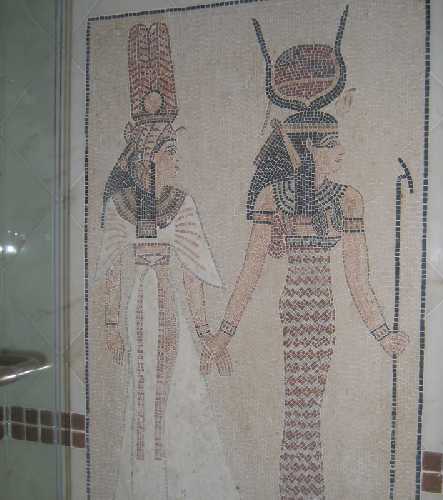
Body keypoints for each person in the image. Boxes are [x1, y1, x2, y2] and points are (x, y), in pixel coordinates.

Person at [201, 8, 409, 500]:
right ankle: (297, 488)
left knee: (308, 406)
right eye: (332, 145)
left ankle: (301, 487)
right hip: (295, 311)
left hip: (322, 313)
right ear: (310, 148)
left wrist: (382, 334)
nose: (341, 153)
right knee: (299, 404)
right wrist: (225, 332)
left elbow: (358, 278)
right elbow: (251, 270)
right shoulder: (273, 197)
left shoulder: (348, 199)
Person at [95, 22, 232, 499]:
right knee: (140, 392)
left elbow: (192, 274)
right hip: (139, 305)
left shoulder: (182, 203)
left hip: (167, 305)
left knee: (177, 392)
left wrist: (204, 332)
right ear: (147, 159)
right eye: (169, 152)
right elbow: (112, 269)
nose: (175, 160)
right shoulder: (121, 206)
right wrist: (110, 324)